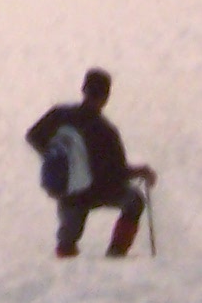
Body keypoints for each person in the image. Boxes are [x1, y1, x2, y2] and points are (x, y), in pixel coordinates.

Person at [25, 68, 156, 258]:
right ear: (106, 96)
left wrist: (57, 156)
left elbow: (33, 136)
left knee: (68, 239)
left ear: (83, 89)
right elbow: (118, 172)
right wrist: (142, 172)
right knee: (134, 202)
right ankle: (116, 254)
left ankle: (64, 258)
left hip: (68, 191)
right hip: (99, 191)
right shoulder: (106, 131)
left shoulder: (59, 115)